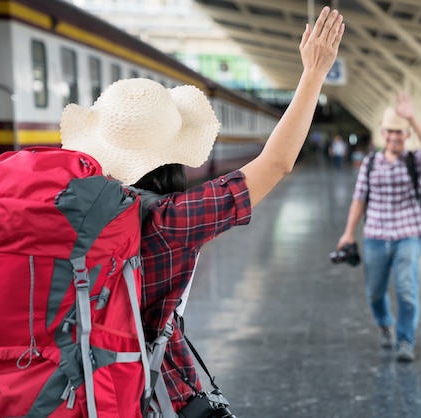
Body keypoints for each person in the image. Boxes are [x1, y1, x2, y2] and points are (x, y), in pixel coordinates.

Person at [60, 6, 344, 413]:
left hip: (70, 390)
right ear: (174, 157)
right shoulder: (170, 220)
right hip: (151, 394)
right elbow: (276, 162)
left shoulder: (62, 211)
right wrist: (313, 74)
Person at [336, 92, 421, 362]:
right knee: (375, 292)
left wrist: (412, 118)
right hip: (376, 235)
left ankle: (405, 340)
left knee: (407, 289)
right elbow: (359, 200)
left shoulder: (415, 161)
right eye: (390, 132)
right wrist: (348, 233)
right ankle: (385, 324)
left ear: (406, 135)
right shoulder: (369, 163)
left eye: (400, 133)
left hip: (408, 234)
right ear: (382, 133)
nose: (394, 137)